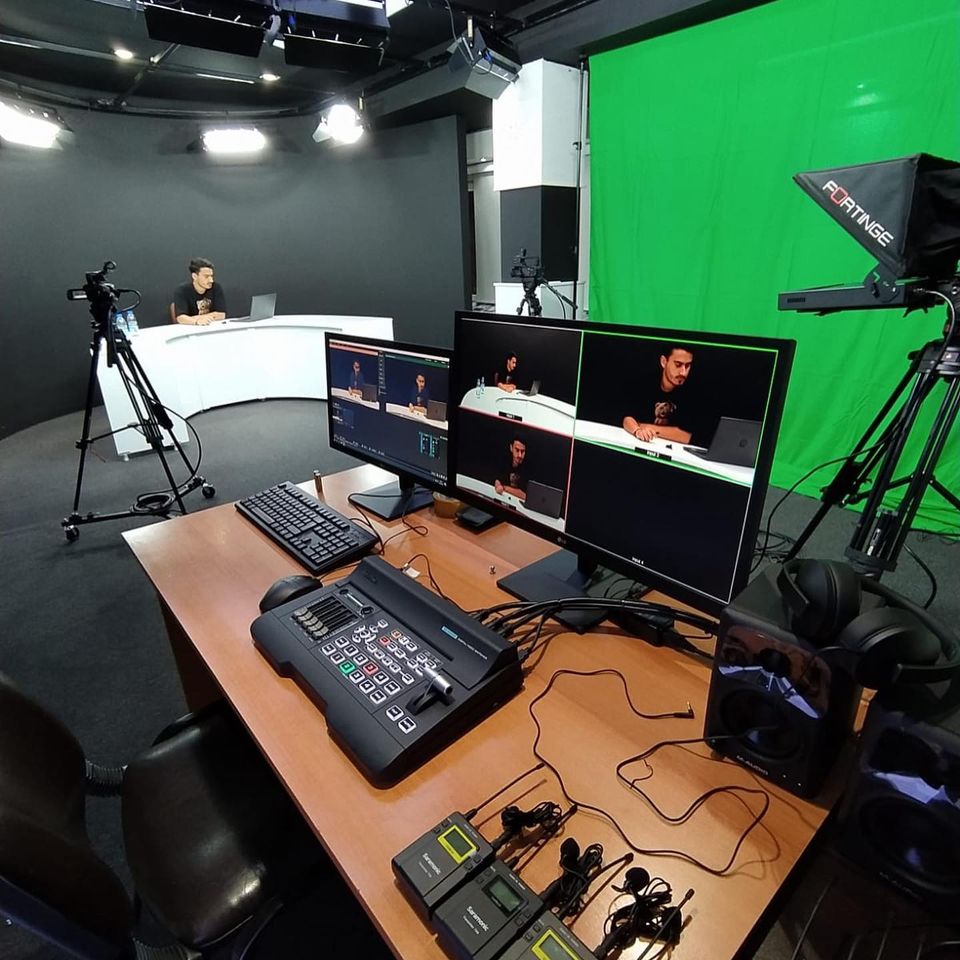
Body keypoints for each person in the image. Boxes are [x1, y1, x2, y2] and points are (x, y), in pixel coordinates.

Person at [622, 344, 699, 444]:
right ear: (664, 362)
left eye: (687, 366)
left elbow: (686, 436)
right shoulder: (645, 383)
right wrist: (638, 431)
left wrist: (644, 427)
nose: (683, 372)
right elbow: (627, 419)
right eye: (678, 365)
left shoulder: (693, 391)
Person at [173, 257, 226, 325]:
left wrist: (193, 318)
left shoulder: (216, 287)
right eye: (206, 276)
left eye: (211, 276)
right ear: (194, 276)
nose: (211, 280)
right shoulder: (182, 290)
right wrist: (197, 321)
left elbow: (221, 315)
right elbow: (181, 318)